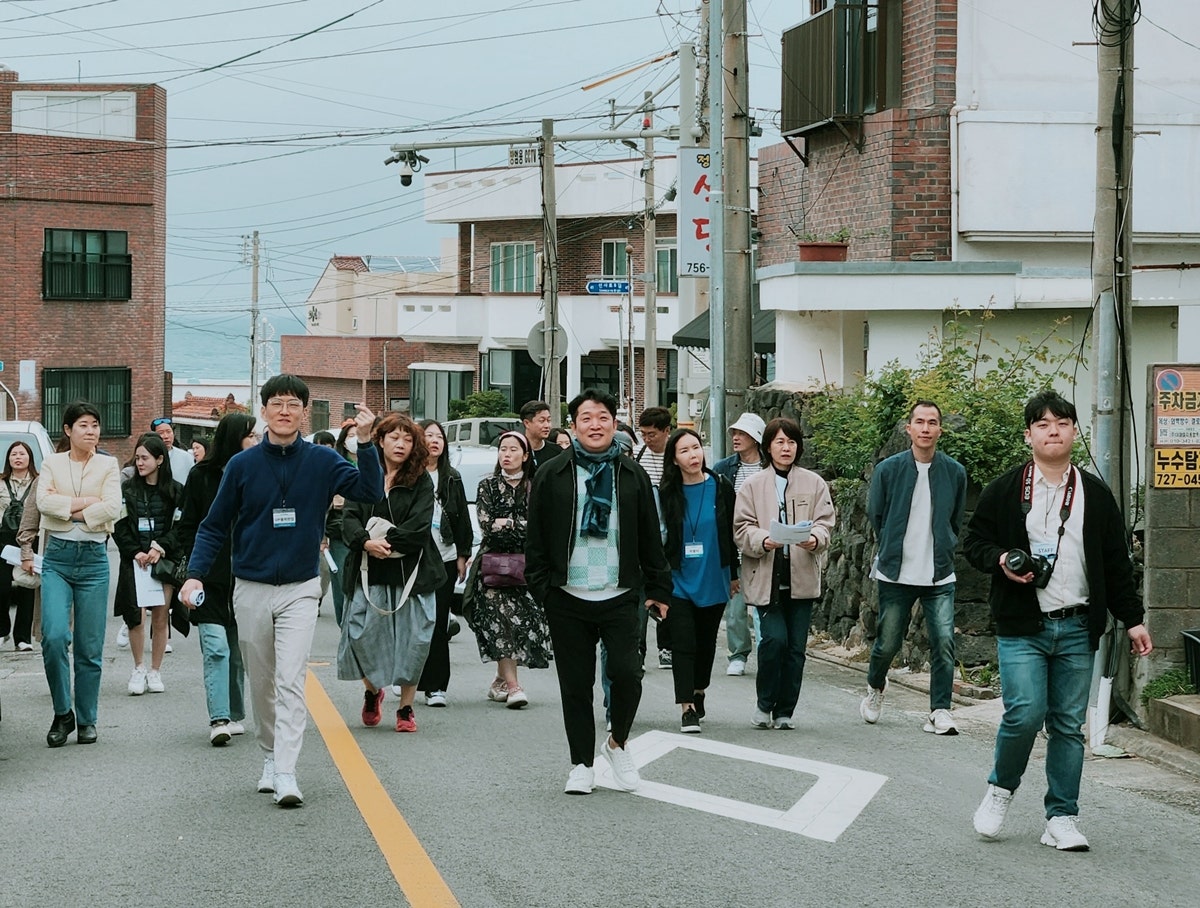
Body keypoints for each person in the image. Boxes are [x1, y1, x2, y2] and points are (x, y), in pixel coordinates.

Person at [181, 375, 383, 808]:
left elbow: (368, 491)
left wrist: (365, 444)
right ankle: (270, 755)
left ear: (303, 411)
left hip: (301, 587)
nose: (285, 411)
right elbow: (213, 527)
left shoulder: (323, 462)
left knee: (291, 679)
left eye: (293, 403)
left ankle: (287, 771)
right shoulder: (242, 465)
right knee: (262, 681)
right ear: (264, 410)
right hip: (251, 586)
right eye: (276, 403)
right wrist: (195, 574)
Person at [964, 391, 1152, 852]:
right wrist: (1002, 561)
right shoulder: (1006, 489)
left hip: (1076, 625)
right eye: (1043, 423)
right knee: (1024, 713)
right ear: (1028, 434)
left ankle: (1062, 817)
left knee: (1068, 725)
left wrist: (1132, 619)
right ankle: (1000, 790)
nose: (1053, 430)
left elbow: (1115, 560)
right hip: (1022, 624)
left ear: (1074, 431)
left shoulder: (1095, 493)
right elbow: (974, 542)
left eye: (1062, 422)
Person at [526, 388, 672, 796]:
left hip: (620, 592)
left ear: (614, 424)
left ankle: (617, 742)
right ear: (573, 426)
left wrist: (659, 587)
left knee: (627, 675)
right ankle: (581, 764)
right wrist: (543, 588)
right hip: (567, 595)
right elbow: (535, 538)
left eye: (603, 417)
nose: (595, 424)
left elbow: (649, 537)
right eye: (586, 417)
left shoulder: (632, 473)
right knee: (575, 685)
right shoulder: (552, 473)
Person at [860, 400, 968, 735]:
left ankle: (939, 709)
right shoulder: (889, 470)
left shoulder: (954, 472)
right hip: (896, 572)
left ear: (940, 429)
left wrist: (945, 542)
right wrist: (893, 544)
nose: (925, 428)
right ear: (909, 428)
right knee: (888, 642)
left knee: (944, 641)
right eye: (919, 422)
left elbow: (956, 517)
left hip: (939, 572)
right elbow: (876, 514)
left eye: (932, 422)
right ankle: (876, 687)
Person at [340, 413, 445, 734]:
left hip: (412, 574)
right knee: (361, 635)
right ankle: (373, 691)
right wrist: (364, 542)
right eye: (393, 437)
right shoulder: (363, 474)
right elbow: (349, 518)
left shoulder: (420, 479)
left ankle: (406, 706)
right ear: (380, 440)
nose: (400, 444)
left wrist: (385, 541)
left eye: (408, 438)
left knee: (414, 640)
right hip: (367, 571)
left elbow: (419, 526)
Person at [733, 417, 835, 730]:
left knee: (795, 649)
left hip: (801, 577)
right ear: (768, 446)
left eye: (791, 442)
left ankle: (785, 711)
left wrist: (815, 538)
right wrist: (764, 540)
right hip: (767, 576)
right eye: (779, 442)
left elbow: (825, 522)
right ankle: (765, 703)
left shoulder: (814, 483)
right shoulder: (752, 485)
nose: (786, 448)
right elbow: (741, 528)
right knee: (773, 641)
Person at [36, 401, 123, 747]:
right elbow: (43, 503)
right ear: (68, 430)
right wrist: (89, 503)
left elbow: (113, 507)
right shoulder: (51, 462)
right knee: (54, 637)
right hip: (56, 558)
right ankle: (63, 712)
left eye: (95, 425)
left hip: (93, 560)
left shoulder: (109, 464)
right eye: (84, 425)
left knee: (89, 647)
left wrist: (70, 508)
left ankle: (87, 718)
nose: (91, 431)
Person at [174, 413, 257, 745]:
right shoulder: (202, 476)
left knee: (238, 652)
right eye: (251, 435)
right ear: (234, 438)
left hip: (248, 577)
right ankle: (219, 718)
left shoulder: (260, 473)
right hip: (206, 577)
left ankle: (235, 714)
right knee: (217, 648)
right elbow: (187, 525)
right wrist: (191, 567)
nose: (257, 441)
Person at [658, 429, 738, 734]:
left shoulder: (720, 486)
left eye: (696, 448)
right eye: (684, 451)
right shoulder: (665, 492)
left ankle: (699, 689)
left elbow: (731, 532)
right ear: (674, 459)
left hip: (712, 577)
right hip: (678, 580)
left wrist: (733, 574)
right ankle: (686, 708)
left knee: (706, 643)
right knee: (684, 643)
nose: (693, 455)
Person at [471, 431, 552, 708]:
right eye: (502, 449)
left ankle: (499, 680)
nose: (506, 454)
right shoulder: (487, 486)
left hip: (527, 569)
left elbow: (538, 529)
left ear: (526, 455)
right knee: (501, 623)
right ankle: (515, 686)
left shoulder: (536, 486)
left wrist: (507, 523)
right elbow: (487, 526)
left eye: (513, 449)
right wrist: (513, 525)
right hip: (492, 568)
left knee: (522, 623)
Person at [113, 433, 184, 696]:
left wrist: (160, 546)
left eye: (145, 458)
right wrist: (135, 552)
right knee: (135, 616)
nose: (139, 463)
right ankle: (139, 667)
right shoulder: (127, 489)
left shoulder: (176, 490)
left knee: (160, 615)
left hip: (163, 561)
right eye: (137, 457)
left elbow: (181, 527)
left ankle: (155, 670)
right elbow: (119, 525)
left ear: (159, 459)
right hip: (135, 562)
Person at [417, 419, 473, 707]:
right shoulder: (409, 475)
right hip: (414, 558)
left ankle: (436, 686)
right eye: (428, 435)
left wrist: (463, 554)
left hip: (446, 558)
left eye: (439, 437)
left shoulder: (452, 477)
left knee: (439, 622)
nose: (435, 441)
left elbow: (462, 517)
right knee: (413, 622)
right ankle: (408, 678)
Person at [712, 412, 767, 677]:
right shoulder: (723, 468)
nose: (736, 437)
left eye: (742, 434)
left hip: (766, 542)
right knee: (735, 606)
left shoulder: (770, 467)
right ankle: (738, 653)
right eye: (734, 432)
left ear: (756, 438)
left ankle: (768, 651)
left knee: (766, 604)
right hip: (734, 542)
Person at [635, 406, 674, 671]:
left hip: (672, 538)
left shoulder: (677, 457)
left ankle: (667, 647)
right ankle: (637, 648)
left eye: (652, 434)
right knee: (639, 595)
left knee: (668, 592)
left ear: (666, 431)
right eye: (644, 434)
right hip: (644, 537)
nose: (647, 439)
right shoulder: (638, 457)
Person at [0, 441, 38, 652]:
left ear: (29, 458)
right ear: (8, 459)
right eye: (13, 454)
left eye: (22, 454)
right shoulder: (1, 482)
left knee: (27, 586)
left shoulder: (38, 482)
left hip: (30, 540)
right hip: (3, 538)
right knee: (2, 587)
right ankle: (2, 629)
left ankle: (22, 638)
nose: (18, 457)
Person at [520, 400, 565, 469]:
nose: (547, 425)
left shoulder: (557, 453)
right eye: (542, 421)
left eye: (549, 420)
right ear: (527, 423)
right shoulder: (516, 451)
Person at [151, 416, 194, 484]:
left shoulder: (186, 457)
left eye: (169, 432)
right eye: (161, 433)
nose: (166, 436)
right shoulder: (149, 457)